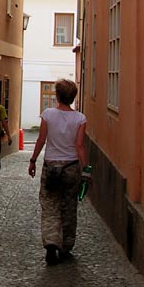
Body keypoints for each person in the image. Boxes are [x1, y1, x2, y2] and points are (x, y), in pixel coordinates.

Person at [28, 79, 87, 265]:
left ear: (57, 96)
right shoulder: (80, 118)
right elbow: (79, 145)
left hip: (51, 167)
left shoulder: (48, 114)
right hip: (71, 167)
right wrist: (85, 170)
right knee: (69, 207)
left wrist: (33, 160)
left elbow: (41, 139)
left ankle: (51, 244)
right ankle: (66, 246)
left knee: (50, 205)